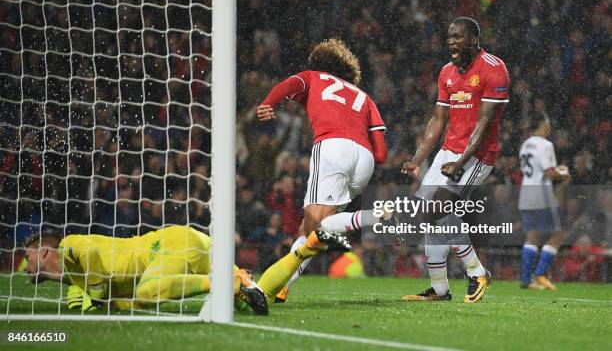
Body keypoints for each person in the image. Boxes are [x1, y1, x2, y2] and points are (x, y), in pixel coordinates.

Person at [255, 38, 387, 302]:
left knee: (317, 224)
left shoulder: (313, 77)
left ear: (319, 64)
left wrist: (269, 102)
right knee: (313, 230)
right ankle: (282, 287)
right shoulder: (364, 97)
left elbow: (291, 84)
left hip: (332, 147)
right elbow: (381, 153)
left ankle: (372, 217)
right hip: (365, 158)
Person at [401, 17, 510, 303]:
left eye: (458, 37)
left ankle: (477, 271)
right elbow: (438, 120)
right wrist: (417, 159)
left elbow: (483, 125)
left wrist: (461, 162)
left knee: (438, 208)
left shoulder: (494, 69)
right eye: (449, 36)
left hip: (478, 156)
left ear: (474, 39)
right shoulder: (446, 72)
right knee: (428, 214)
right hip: (448, 151)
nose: (451, 42)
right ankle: (439, 290)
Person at [24, 225, 268, 315]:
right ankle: (242, 280)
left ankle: (228, 281)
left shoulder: (68, 247)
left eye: (27, 257)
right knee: (256, 304)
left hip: (168, 247)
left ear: (45, 252)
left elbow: (90, 253)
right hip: (187, 244)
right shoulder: (74, 278)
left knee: (147, 292)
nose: (25, 266)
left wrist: (97, 293)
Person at [518, 112, 571, 290]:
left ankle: (526, 280)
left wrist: (556, 170)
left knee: (532, 236)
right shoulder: (546, 145)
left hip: (526, 194)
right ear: (543, 125)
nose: (549, 127)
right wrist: (562, 172)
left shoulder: (525, 144)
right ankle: (539, 273)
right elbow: (549, 173)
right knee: (559, 233)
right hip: (542, 194)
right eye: (548, 124)